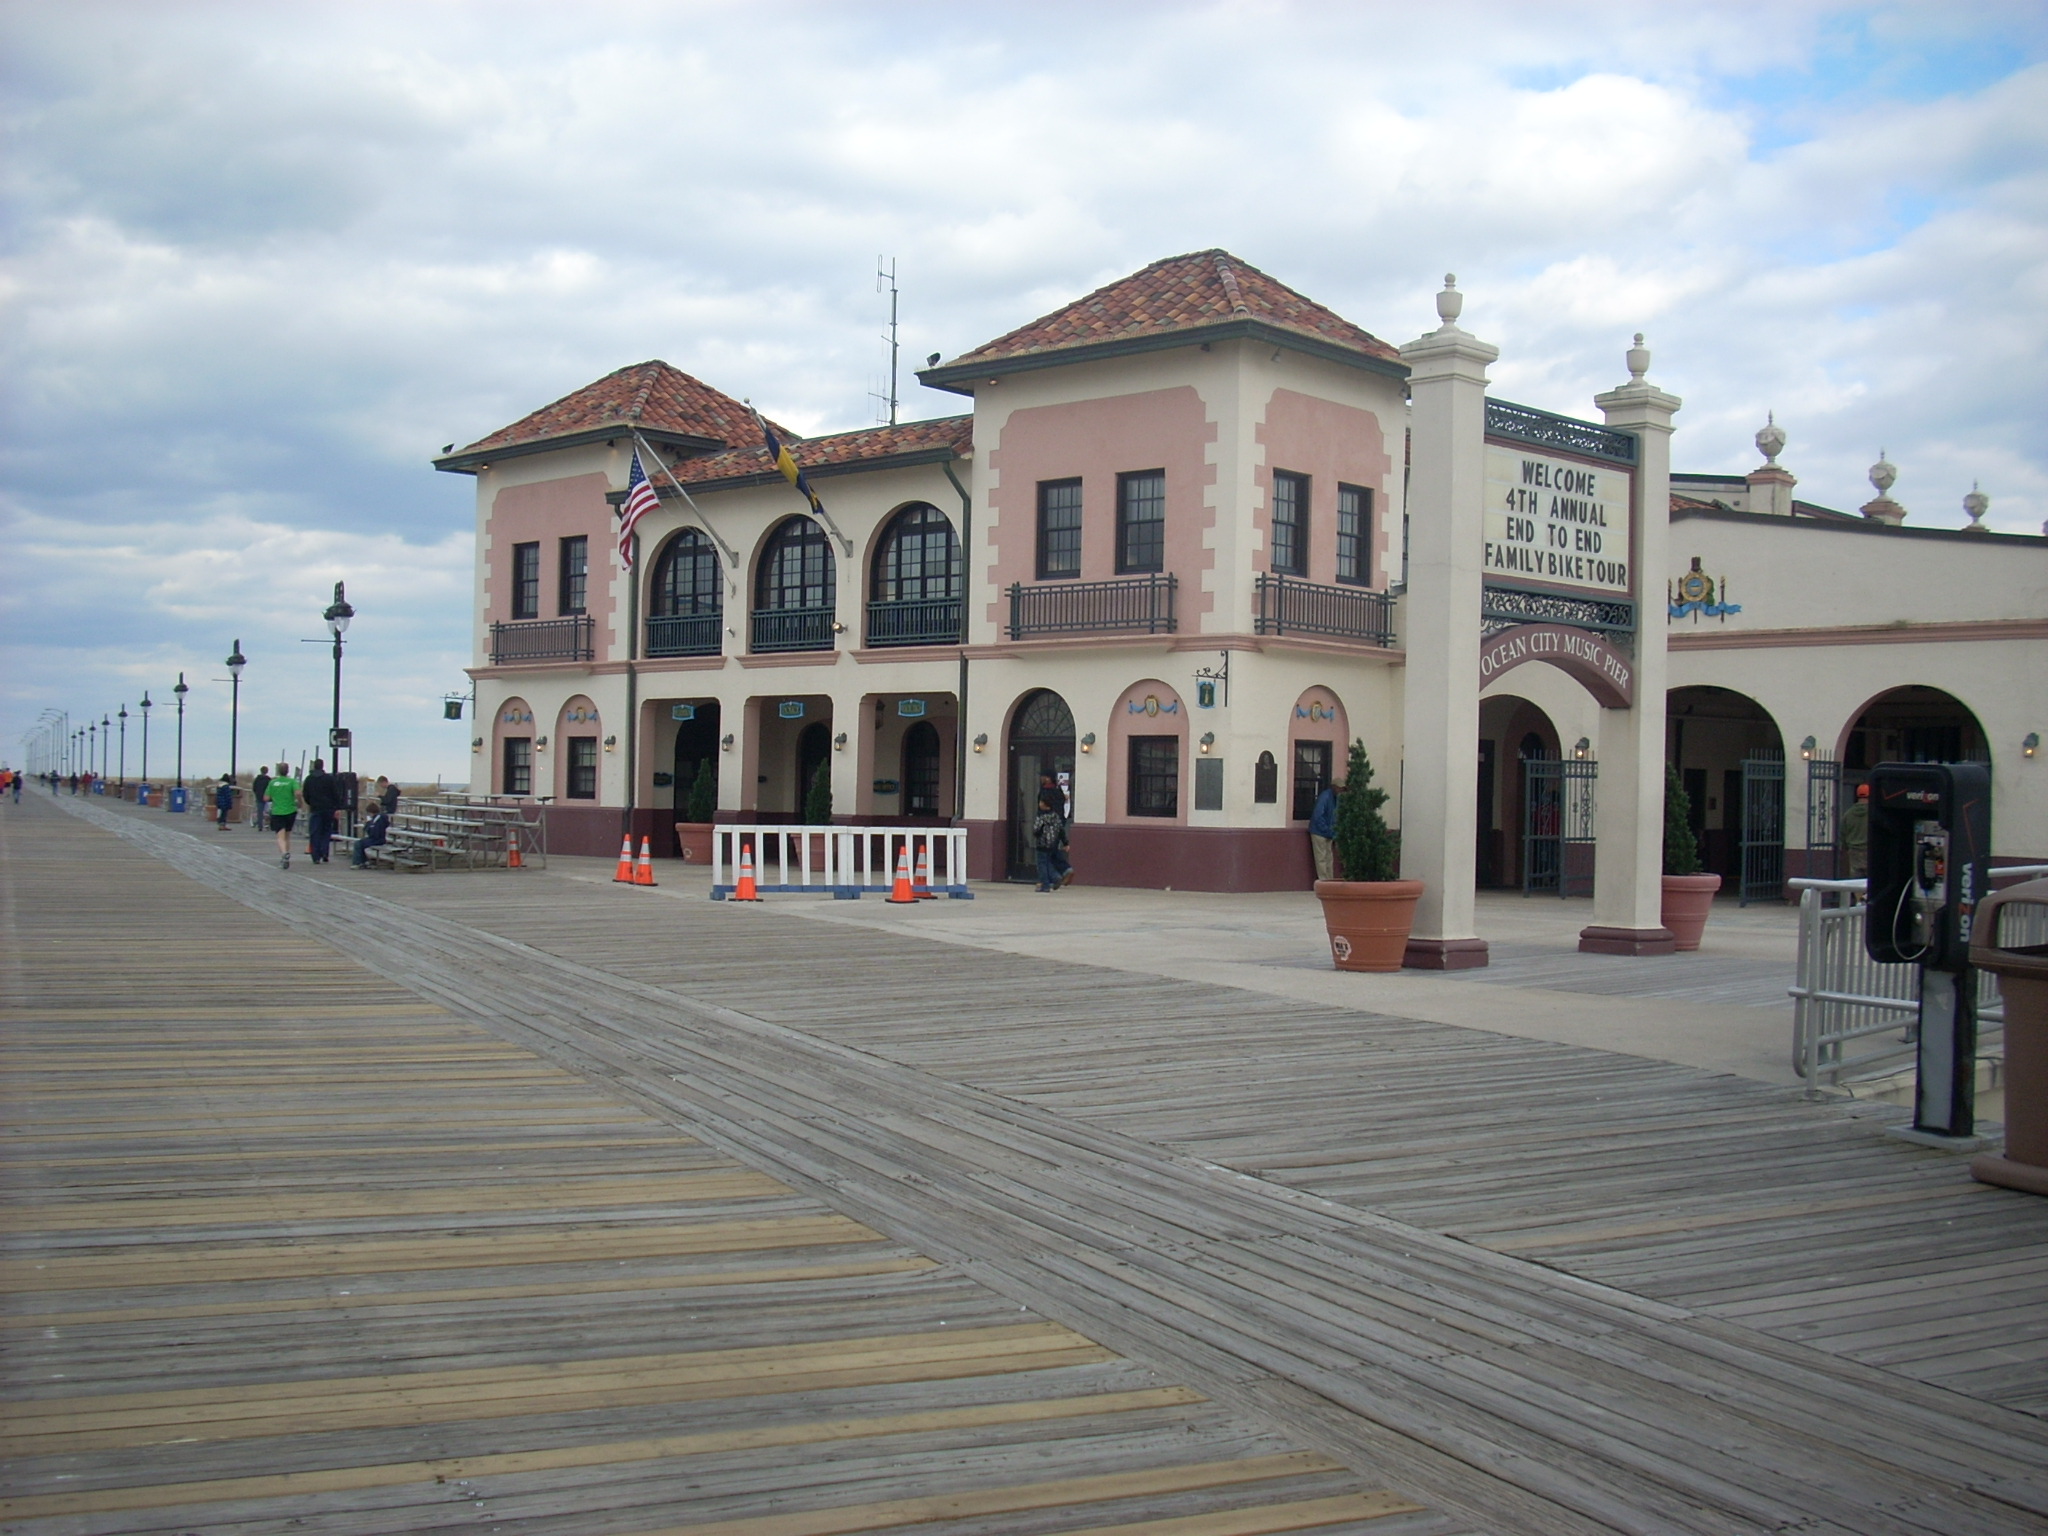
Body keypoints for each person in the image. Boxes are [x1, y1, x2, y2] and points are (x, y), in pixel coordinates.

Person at [1037, 771, 1073, 886]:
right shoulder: (1058, 792)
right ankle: (1063, 872)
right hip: (1058, 825)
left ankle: (1054, 877)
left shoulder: (1046, 792)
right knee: (1051, 852)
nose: (1041, 778)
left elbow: (1041, 811)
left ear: (1048, 778)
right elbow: (1061, 809)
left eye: (1043, 776)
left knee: (1045, 855)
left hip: (1047, 828)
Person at [302, 756, 339, 865]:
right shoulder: (329, 779)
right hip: (328, 808)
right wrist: (335, 807)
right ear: (323, 766)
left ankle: (315, 856)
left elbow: (305, 794)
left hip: (315, 808)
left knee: (315, 832)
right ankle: (325, 853)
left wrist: (311, 803)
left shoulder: (309, 779)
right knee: (326, 831)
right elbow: (335, 793)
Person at [266, 760, 301, 869]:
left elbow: (266, 797)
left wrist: (275, 797)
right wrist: (299, 801)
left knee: (280, 836)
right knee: (287, 835)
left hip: (277, 811)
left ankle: (284, 853)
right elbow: (298, 793)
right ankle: (286, 856)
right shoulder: (292, 782)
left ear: (278, 771)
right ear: (287, 771)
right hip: (290, 810)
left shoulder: (272, 783)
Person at [1309, 778, 1340, 884]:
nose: (1341, 790)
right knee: (1321, 858)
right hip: (1319, 832)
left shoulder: (1336, 798)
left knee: (1329, 858)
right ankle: (1323, 881)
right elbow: (1318, 816)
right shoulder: (1325, 797)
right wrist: (1327, 830)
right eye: (1339, 788)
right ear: (1334, 787)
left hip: (1329, 832)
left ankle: (1329, 880)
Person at [1841, 781, 1870, 880]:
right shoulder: (1873, 813)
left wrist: (1846, 848)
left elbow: (1842, 834)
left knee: (1855, 883)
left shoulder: (1848, 814)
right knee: (1872, 882)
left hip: (1854, 853)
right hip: (1870, 851)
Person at [351, 802, 391, 867]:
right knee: (360, 843)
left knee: (358, 844)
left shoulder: (379, 819)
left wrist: (369, 825)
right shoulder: (375, 819)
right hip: (375, 838)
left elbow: (374, 832)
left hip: (378, 839)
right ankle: (364, 861)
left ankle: (357, 862)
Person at [251, 767, 271, 833]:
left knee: (260, 812)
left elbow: (254, 788)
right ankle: (268, 825)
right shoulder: (268, 779)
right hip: (268, 797)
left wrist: (257, 793)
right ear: (267, 771)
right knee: (268, 812)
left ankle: (260, 826)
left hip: (259, 797)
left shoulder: (257, 779)